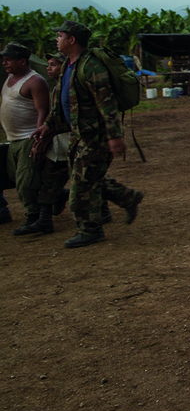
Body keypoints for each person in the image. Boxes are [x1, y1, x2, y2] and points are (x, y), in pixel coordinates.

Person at [34, 21, 144, 248]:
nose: (57, 39)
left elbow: (107, 103)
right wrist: (48, 125)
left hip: (96, 135)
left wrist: (114, 136)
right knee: (87, 176)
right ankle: (127, 197)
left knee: (80, 186)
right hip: (79, 134)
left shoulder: (91, 66)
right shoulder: (69, 66)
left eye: (60, 35)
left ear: (72, 40)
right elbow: (61, 103)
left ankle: (90, 230)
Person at [1, 42, 49, 236]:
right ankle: (57, 197)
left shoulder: (34, 81)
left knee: (25, 180)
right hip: (13, 139)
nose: (5, 63)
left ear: (22, 61)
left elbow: (43, 111)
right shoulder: (9, 78)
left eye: (9, 59)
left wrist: (39, 140)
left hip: (28, 137)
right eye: (4, 59)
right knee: (14, 177)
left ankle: (35, 217)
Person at [24, 52, 72, 235]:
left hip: (69, 140)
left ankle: (116, 202)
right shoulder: (57, 87)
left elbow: (63, 118)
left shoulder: (69, 86)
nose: (48, 68)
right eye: (48, 64)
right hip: (57, 141)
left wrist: (47, 133)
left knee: (88, 178)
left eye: (53, 64)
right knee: (48, 177)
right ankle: (45, 219)